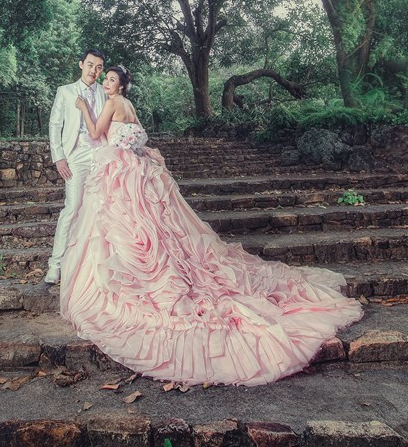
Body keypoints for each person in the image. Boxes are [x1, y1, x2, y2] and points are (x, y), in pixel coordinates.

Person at [59, 65, 363, 386]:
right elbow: (135, 136)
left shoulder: (112, 102)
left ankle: (121, 280)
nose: (106, 83)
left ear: (120, 86)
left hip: (121, 171)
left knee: (123, 225)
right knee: (149, 227)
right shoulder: (129, 105)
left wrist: (83, 109)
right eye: (105, 79)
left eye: (111, 79)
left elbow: (96, 133)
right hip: (137, 168)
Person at [44, 49, 107, 285]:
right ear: (81, 64)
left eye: (99, 67)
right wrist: (59, 157)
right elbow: (55, 125)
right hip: (76, 154)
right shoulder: (65, 91)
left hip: (101, 154)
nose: (94, 71)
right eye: (90, 65)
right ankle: (55, 265)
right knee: (72, 208)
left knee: (102, 208)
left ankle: (95, 266)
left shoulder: (105, 92)